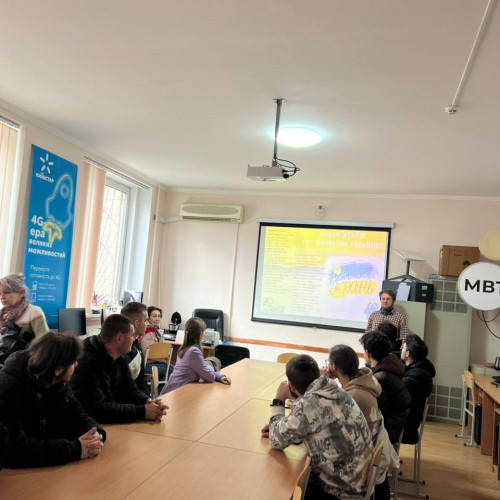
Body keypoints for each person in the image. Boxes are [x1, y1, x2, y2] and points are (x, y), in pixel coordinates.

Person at [261, 354, 372, 500]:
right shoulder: (334, 389)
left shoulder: (307, 407)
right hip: (358, 480)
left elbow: (275, 440)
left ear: (291, 386)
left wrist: (279, 400)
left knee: (281, 487)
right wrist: (286, 423)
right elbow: (314, 413)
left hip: (342, 492)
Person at [0, 331, 105, 467]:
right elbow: (14, 449)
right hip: (18, 473)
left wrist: (95, 434)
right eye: (73, 361)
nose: (76, 364)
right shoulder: (8, 387)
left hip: (45, 465)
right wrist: (73, 449)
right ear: (59, 369)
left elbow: (78, 414)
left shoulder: (57, 382)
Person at [327, 345, 398, 500]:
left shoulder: (352, 397)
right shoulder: (362, 384)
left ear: (333, 366)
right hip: (367, 459)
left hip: (355, 469)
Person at [71, 314, 167, 423]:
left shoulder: (119, 356)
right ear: (119, 338)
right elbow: (96, 409)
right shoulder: (86, 362)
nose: (133, 339)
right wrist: (142, 411)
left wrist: (148, 402)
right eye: (131, 336)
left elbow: (130, 389)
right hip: (92, 426)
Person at [360, 331, 411, 444]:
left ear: (367, 353)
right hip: (396, 423)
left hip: (388, 429)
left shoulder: (380, 378)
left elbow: (375, 410)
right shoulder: (392, 365)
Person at [160, 317, 230, 395]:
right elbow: (209, 377)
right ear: (201, 334)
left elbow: (203, 371)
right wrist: (211, 369)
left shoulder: (184, 348)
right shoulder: (193, 351)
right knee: (211, 362)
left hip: (171, 391)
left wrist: (218, 376)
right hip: (176, 393)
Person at [0, 274, 49, 365]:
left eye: (7, 292)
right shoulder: (2, 314)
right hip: (3, 361)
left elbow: (45, 343)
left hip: (21, 364)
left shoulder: (34, 312)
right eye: (0, 293)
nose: (2, 297)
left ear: (21, 292)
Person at [401, 334, 435, 443]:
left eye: (403, 347)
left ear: (408, 353)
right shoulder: (420, 369)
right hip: (408, 422)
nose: (401, 349)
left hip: (405, 428)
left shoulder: (416, 376)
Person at [120, 301, 148, 394]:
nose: (147, 324)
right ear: (136, 323)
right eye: (145, 321)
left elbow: (141, 381)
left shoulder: (136, 346)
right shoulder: (120, 349)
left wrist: (148, 399)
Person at [139, 306, 173, 381]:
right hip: (145, 365)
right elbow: (147, 354)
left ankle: (155, 387)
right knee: (173, 369)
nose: (157, 319)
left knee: (168, 369)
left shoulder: (155, 331)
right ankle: (159, 388)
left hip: (153, 363)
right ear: (148, 317)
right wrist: (162, 359)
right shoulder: (148, 333)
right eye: (154, 316)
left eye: (159, 316)